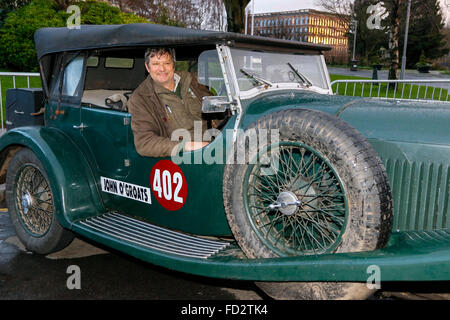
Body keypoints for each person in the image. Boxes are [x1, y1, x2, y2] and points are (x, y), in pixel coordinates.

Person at [127, 47, 211, 157]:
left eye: (166, 63)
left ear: (173, 65)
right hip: (182, 157)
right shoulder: (141, 99)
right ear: (147, 67)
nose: (162, 69)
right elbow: (145, 143)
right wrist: (186, 146)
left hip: (215, 143)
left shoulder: (193, 81)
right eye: (156, 64)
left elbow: (216, 111)